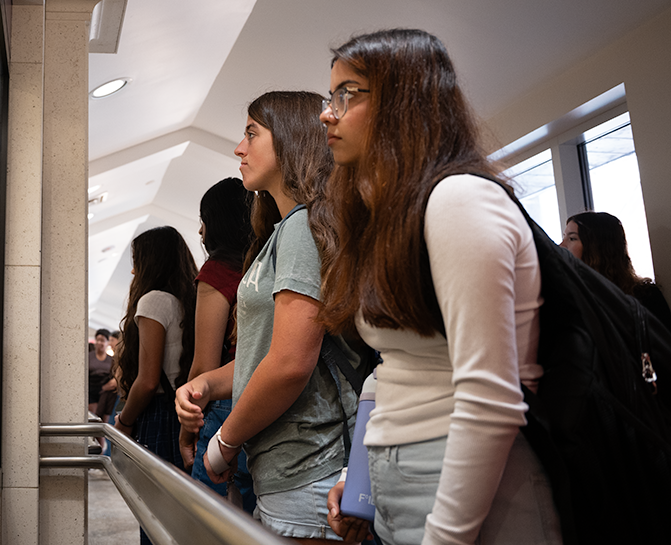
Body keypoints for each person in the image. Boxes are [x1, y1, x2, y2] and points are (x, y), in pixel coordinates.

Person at [318, 29, 561, 545]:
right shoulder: (394, 213)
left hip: (470, 478)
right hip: (402, 478)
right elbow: (395, 370)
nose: (328, 113)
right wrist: (356, 478)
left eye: (348, 94)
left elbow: (490, 395)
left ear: (403, 103)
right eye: (330, 96)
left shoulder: (459, 200)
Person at [176, 91, 361, 544]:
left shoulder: (302, 226)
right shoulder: (283, 231)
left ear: (291, 141)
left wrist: (224, 443)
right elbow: (265, 354)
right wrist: (206, 385)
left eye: (251, 133)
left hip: (307, 469)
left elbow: (291, 363)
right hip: (286, 471)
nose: (239, 148)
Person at [178, 177, 257, 512]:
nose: (200, 232)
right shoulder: (262, 262)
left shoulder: (217, 271)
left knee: (208, 519)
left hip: (224, 404)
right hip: (263, 399)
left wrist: (186, 433)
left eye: (203, 221)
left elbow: (204, 364)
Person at [114, 226, 196, 545]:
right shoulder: (187, 299)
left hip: (159, 418)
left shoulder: (152, 301)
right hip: (187, 412)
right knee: (180, 520)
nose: (133, 269)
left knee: (155, 520)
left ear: (151, 261)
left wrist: (123, 421)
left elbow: (147, 382)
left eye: (136, 260)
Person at [561, 211, 671, 328]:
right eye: (564, 237)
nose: (561, 245)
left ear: (597, 247)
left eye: (572, 238)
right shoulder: (567, 297)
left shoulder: (646, 297)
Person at [89, 328, 116, 420]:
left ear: (107, 342)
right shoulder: (89, 357)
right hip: (91, 391)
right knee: (93, 418)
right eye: (98, 340)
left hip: (106, 393)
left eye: (103, 340)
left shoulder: (111, 360)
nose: (100, 343)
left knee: (104, 421)